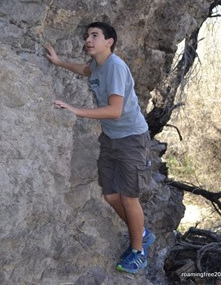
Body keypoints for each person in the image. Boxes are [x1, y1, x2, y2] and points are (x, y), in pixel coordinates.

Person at [44, 22, 155, 274]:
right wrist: (59, 62)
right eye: (87, 36)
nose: (88, 40)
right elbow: (85, 70)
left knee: (128, 197)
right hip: (110, 139)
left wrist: (76, 110)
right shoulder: (98, 65)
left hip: (131, 140)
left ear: (109, 42)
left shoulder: (115, 67)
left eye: (95, 35)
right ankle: (143, 233)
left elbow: (115, 111)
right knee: (111, 195)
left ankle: (138, 252)